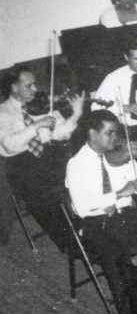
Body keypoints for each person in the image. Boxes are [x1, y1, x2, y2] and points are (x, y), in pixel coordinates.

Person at [65, 110, 137, 314]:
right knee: (115, 254)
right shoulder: (76, 164)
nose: (115, 138)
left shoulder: (122, 156)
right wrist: (118, 194)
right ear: (93, 133)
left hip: (125, 216)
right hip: (96, 223)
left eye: (116, 132)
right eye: (109, 133)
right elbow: (82, 208)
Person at [0, 65, 84, 251]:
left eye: (35, 84)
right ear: (14, 87)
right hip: (20, 164)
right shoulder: (2, 112)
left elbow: (61, 134)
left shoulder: (41, 105)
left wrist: (76, 114)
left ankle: (88, 227)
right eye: (29, 85)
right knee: (44, 193)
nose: (35, 89)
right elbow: (9, 144)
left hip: (49, 155)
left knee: (79, 174)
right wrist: (36, 125)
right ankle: (71, 243)